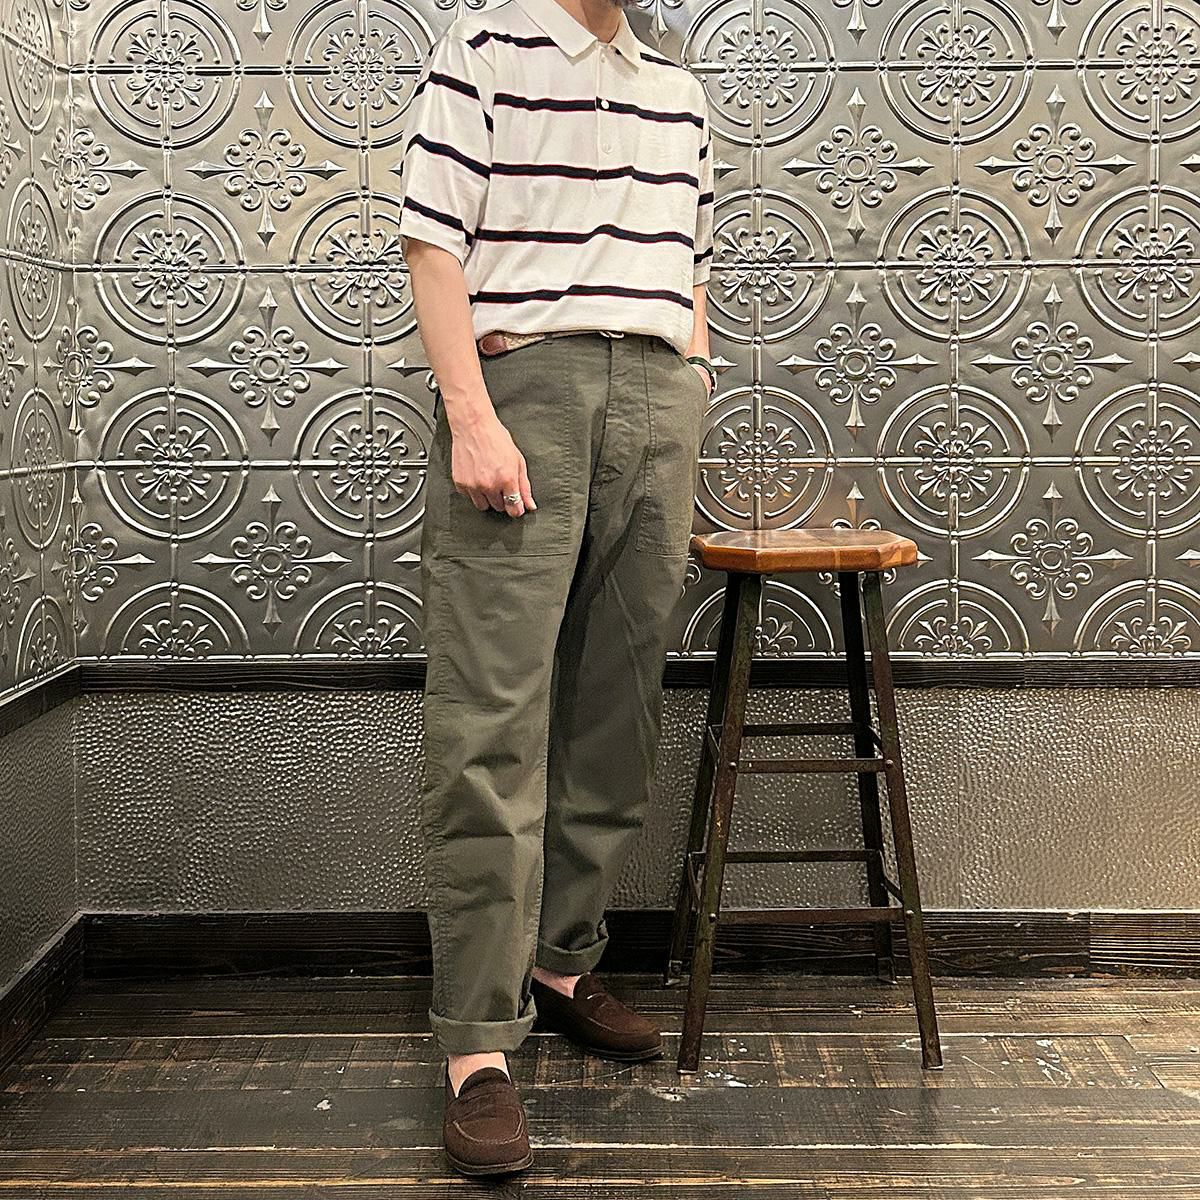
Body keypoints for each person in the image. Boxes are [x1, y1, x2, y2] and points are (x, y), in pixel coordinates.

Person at [396, 0, 716, 1176]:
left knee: (617, 711)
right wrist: (472, 416)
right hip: (526, 391)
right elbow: (433, 243)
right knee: (492, 722)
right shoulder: (482, 48)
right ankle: (477, 1044)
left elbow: (692, 262)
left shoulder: (678, 89)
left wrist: (692, 374)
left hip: (657, 402)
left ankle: (563, 963)